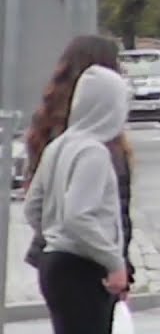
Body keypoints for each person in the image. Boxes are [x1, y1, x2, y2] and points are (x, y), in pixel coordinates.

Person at [24, 36, 136, 299]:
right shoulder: (97, 147)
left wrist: (54, 236)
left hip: (54, 258)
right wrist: (117, 263)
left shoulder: (55, 135)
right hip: (90, 260)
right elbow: (93, 212)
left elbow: (33, 205)